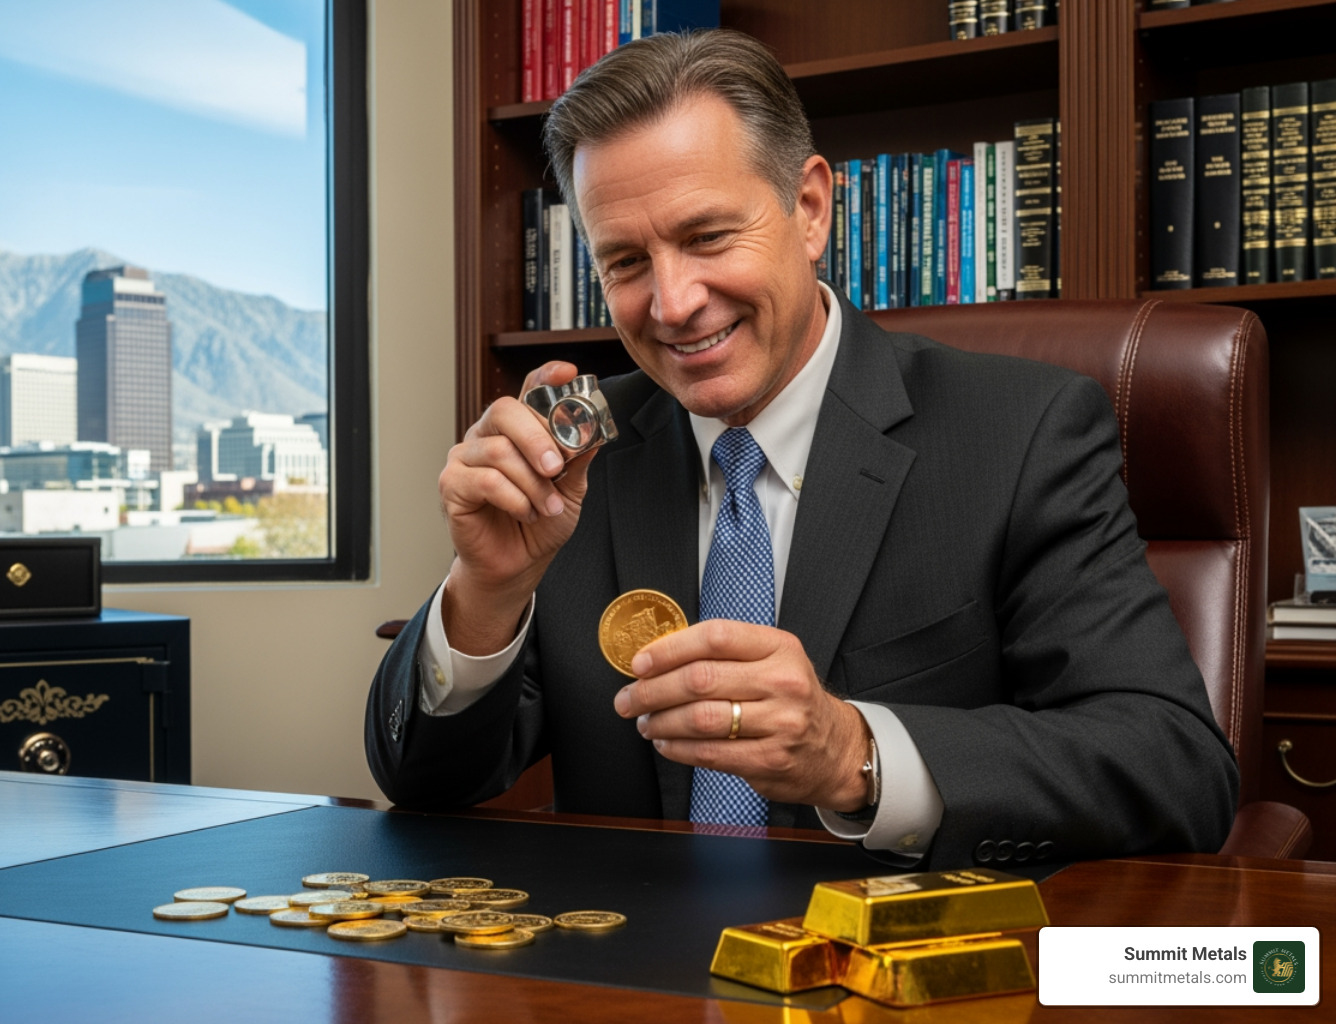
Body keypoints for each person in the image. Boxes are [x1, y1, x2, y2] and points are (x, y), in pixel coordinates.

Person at [365, 30, 1237, 869]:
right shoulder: (577, 457)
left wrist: (855, 753)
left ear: (810, 208)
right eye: (625, 262)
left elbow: (1174, 766)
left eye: (706, 237)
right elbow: (423, 784)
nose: (671, 303)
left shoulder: (1022, 432)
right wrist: (487, 588)